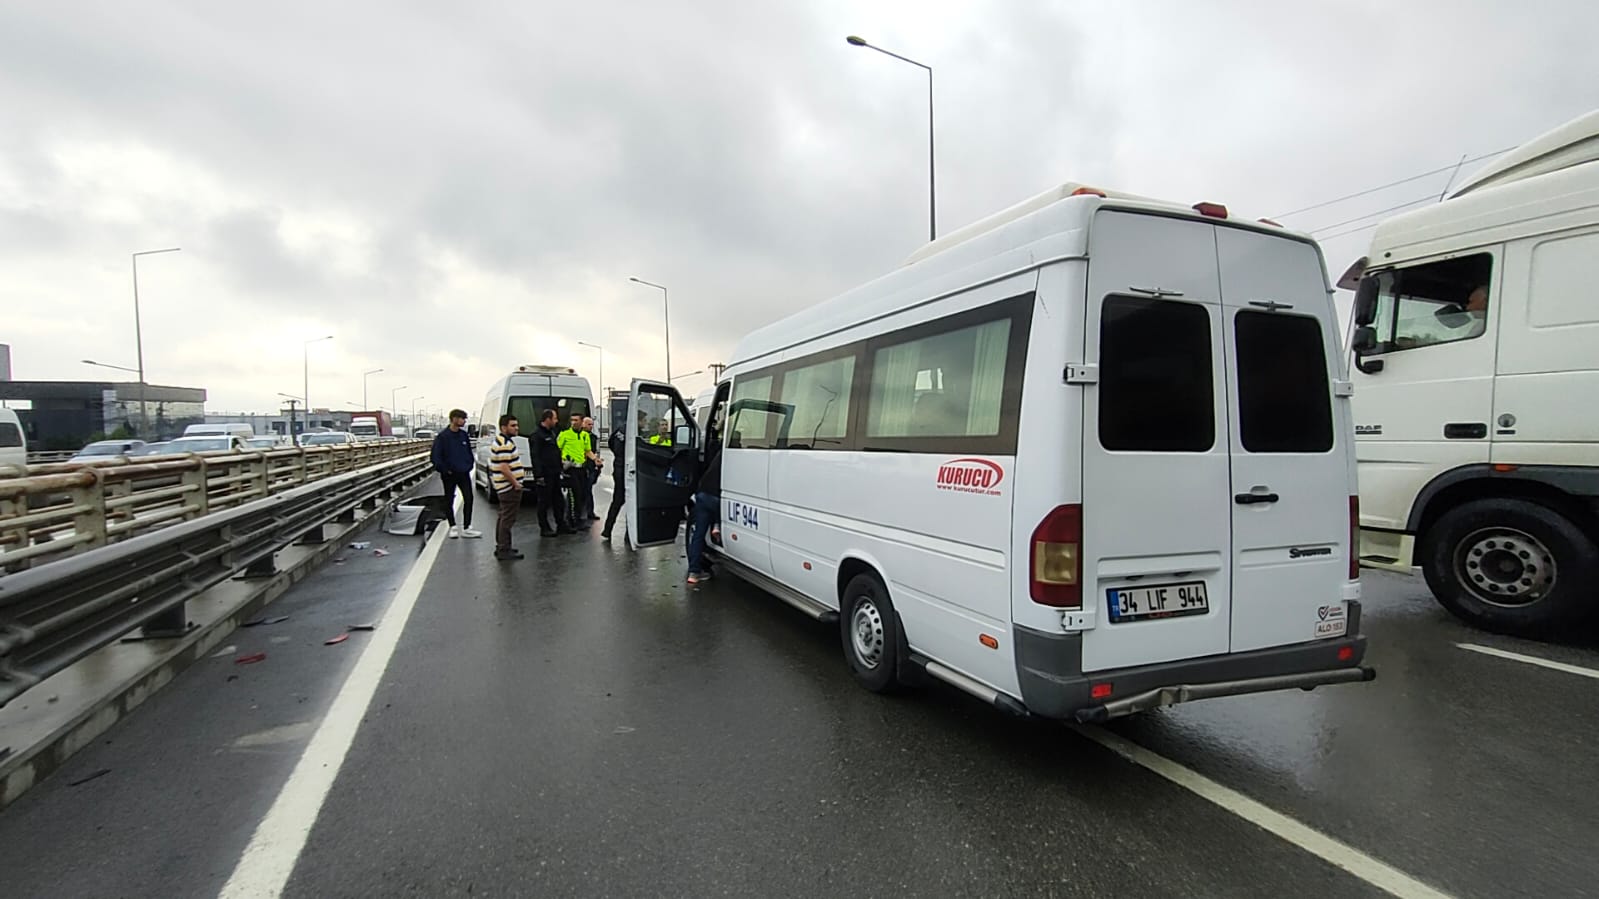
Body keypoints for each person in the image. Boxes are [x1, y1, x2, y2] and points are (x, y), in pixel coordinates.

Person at [430, 409, 481, 539]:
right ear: (453, 419)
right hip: (449, 474)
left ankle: (467, 527)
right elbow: (435, 457)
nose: (464, 421)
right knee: (449, 499)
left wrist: (469, 465)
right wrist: (445, 470)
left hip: (463, 473)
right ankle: (452, 526)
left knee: (469, 498)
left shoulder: (463, 435)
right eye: (462, 418)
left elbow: (469, 452)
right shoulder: (443, 437)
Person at [685, 437, 722, 585]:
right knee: (719, 503)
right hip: (716, 498)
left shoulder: (715, 457)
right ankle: (717, 525)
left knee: (698, 536)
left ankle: (694, 573)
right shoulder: (731, 457)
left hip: (702, 495)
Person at [488, 414, 525, 560]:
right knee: (508, 519)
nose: (517, 428)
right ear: (504, 427)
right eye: (513, 426)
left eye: (516, 425)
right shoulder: (504, 444)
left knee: (503, 516)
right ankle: (504, 549)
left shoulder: (502, 441)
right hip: (508, 487)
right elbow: (504, 467)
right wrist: (515, 483)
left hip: (504, 487)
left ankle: (502, 546)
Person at [532, 409, 569, 536]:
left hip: (555, 473)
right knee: (544, 502)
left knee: (558, 500)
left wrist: (561, 469)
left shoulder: (552, 433)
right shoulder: (537, 435)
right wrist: (539, 475)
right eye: (554, 418)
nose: (556, 421)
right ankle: (544, 528)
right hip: (545, 474)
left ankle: (561, 525)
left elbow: (555, 453)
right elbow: (535, 456)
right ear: (547, 419)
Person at [557, 412, 592, 530]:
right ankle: (571, 521)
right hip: (570, 469)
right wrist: (562, 462)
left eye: (576, 420)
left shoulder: (585, 435)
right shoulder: (565, 434)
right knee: (574, 495)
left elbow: (588, 451)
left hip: (581, 468)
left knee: (582, 495)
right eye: (572, 420)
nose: (573, 422)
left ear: (582, 422)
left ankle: (578, 519)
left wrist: (595, 459)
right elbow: (558, 449)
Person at [600, 414, 629, 541]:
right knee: (632, 502)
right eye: (643, 421)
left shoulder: (619, 430)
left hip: (618, 467)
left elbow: (611, 442)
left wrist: (618, 456)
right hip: (626, 469)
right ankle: (630, 534)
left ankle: (608, 529)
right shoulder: (631, 432)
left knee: (617, 501)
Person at [581, 416, 602, 521]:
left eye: (591, 424)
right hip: (580, 466)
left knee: (588, 489)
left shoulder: (593, 437)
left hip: (590, 466)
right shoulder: (578, 435)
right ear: (583, 424)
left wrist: (597, 463)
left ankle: (589, 512)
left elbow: (593, 451)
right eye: (588, 424)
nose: (590, 426)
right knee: (582, 490)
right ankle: (579, 514)